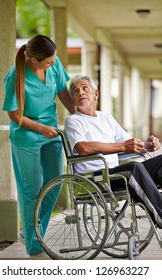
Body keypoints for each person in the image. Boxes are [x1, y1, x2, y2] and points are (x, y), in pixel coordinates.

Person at [2, 35, 75, 259]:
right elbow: (14, 114)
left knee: (54, 183)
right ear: (33, 60)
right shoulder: (16, 76)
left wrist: (81, 116)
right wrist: (40, 129)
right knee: (31, 190)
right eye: (47, 62)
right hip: (26, 136)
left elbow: (63, 90)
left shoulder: (53, 62)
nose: (52, 64)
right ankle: (35, 245)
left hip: (51, 131)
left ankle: (33, 231)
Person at [64, 74, 162, 229]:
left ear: (95, 94)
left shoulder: (106, 118)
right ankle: (160, 213)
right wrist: (122, 147)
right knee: (133, 168)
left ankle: (157, 200)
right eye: (76, 91)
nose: (81, 92)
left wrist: (146, 146)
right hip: (93, 178)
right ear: (74, 100)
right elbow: (83, 148)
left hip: (112, 173)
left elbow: (128, 143)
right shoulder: (73, 120)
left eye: (85, 88)